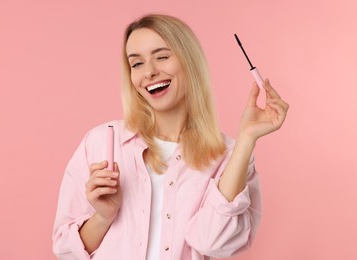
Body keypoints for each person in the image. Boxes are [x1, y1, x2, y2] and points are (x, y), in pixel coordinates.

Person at [52, 14, 289, 260]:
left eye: (162, 57)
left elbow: (213, 243)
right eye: (137, 64)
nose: (150, 72)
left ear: (190, 62)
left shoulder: (231, 155)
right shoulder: (100, 143)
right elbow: (65, 251)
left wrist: (246, 139)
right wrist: (102, 217)